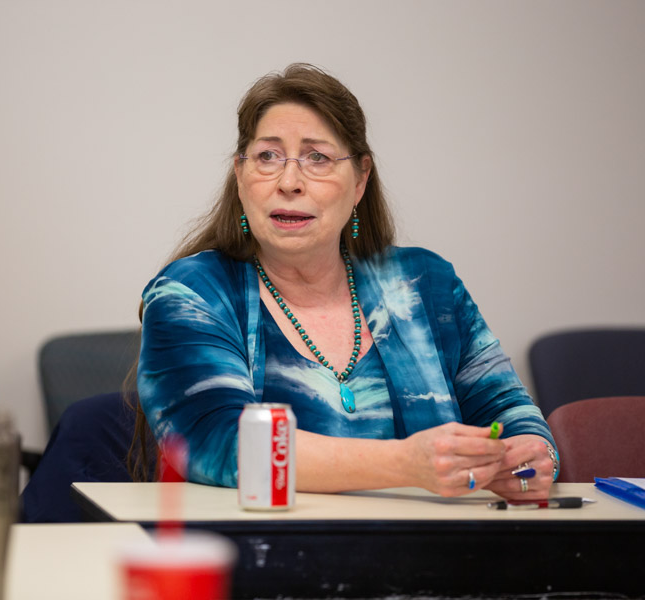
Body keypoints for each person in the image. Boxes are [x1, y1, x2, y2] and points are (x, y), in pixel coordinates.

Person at [134, 63, 557, 500]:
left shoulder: (426, 285)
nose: (289, 182)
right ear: (240, 177)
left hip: (432, 554)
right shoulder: (192, 293)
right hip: (257, 555)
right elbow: (215, 443)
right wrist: (406, 464)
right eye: (267, 156)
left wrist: (529, 457)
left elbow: (510, 414)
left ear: (360, 180)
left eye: (317, 157)